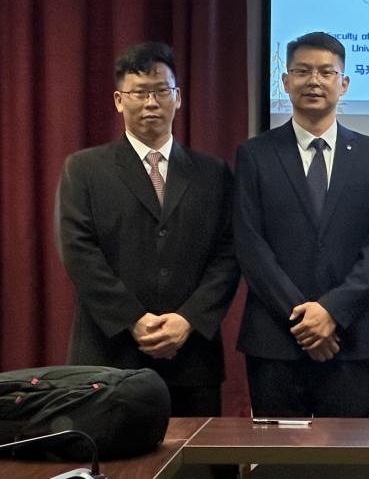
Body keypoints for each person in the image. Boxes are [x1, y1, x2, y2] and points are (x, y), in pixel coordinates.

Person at [56, 41, 238, 416]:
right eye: (139, 92)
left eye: (161, 91)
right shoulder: (85, 169)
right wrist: (133, 320)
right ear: (119, 100)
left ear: (178, 97)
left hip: (192, 359)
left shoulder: (213, 172)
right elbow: (79, 253)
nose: (151, 103)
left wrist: (188, 320)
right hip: (109, 357)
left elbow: (229, 254)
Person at [234, 31, 369, 417]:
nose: (314, 81)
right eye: (302, 71)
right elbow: (250, 244)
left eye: (326, 72)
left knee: (345, 452)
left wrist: (332, 313)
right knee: (276, 452)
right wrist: (303, 319)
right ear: (285, 80)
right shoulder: (255, 154)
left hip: (350, 338)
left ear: (344, 83)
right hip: (274, 340)